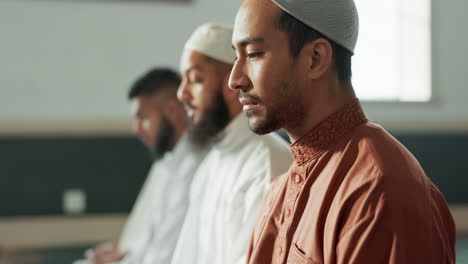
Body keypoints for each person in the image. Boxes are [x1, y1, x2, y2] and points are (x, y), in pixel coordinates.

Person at [229, 0, 456, 263]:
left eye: (254, 54)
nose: (234, 79)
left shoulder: (377, 187)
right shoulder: (281, 189)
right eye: (237, 55)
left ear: (316, 59)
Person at [170, 23, 292, 264]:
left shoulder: (267, 163)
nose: (182, 93)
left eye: (194, 79)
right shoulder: (212, 162)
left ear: (230, 84)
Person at [78, 68, 206, 264]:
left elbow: (165, 256)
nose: (136, 129)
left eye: (143, 117)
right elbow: (152, 243)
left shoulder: (194, 167)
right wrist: (121, 255)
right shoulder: (167, 163)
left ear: (172, 110)